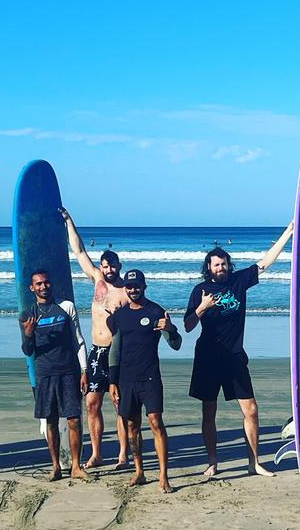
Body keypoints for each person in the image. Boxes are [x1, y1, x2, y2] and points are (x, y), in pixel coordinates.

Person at [183, 222, 295, 478]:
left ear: (228, 265)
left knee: (251, 409)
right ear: (208, 268)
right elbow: (188, 326)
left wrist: (288, 233)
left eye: (223, 264)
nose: (220, 268)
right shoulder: (199, 291)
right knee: (209, 411)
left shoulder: (238, 281)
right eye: (216, 264)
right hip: (208, 358)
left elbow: (265, 263)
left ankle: (254, 462)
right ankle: (212, 462)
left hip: (234, 357)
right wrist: (202, 308)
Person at [61, 208, 129, 469]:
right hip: (95, 352)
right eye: (105, 265)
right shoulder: (98, 281)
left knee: (119, 403)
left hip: (117, 353)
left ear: (119, 266)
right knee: (91, 404)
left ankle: (123, 454)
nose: (108, 269)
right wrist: (70, 221)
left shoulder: (126, 291)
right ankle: (97, 454)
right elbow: (78, 251)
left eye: (112, 265)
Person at [106, 269, 182, 493]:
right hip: (126, 379)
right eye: (129, 286)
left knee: (156, 421)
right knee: (131, 425)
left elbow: (175, 344)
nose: (133, 290)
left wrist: (171, 329)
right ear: (125, 289)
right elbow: (115, 351)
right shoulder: (119, 317)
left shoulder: (156, 311)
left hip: (150, 377)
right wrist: (112, 382)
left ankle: (163, 476)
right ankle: (139, 471)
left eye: (137, 286)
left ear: (144, 286)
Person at [20, 269, 90, 481]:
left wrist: (84, 370)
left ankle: (76, 467)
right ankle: (56, 466)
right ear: (32, 288)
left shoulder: (66, 307)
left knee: (74, 420)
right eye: (38, 284)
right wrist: (29, 334)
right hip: (45, 373)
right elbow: (27, 350)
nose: (43, 287)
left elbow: (78, 340)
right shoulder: (27, 314)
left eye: (46, 283)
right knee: (50, 421)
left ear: (51, 284)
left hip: (68, 371)